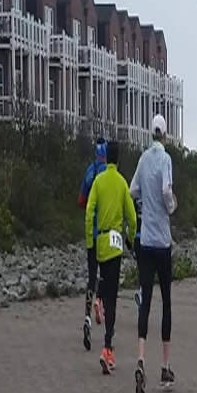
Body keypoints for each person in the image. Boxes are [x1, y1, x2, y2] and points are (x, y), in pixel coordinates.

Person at [130, 114, 178, 393]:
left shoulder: (143, 158)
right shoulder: (165, 159)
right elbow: (165, 190)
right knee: (167, 302)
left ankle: (140, 359)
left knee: (145, 301)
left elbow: (133, 188)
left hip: (144, 239)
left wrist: (144, 206)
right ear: (165, 134)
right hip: (161, 240)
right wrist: (170, 206)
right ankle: (165, 364)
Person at [85, 141, 137, 376]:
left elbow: (89, 212)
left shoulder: (98, 181)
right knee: (113, 298)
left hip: (101, 241)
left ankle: (99, 297)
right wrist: (130, 238)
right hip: (116, 242)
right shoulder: (122, 183)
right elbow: (132, 217)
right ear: (119, 159)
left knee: (103, 282)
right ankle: (107, 347)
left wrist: (90, 240)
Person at [79, 137, 107, 351]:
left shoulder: (90, 172)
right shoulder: (110, 175)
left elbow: (81, 201)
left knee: (91, 277)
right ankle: (102, 301)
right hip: (107, 236)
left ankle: (87, 318)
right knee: (106, 276)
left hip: (91, 234)